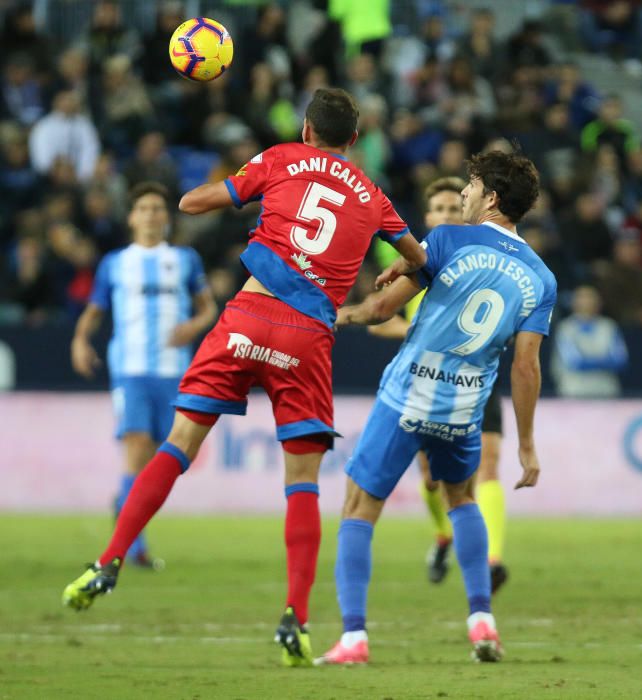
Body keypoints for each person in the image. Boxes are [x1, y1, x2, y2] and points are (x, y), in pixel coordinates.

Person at [62, 88, 427, 668]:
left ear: (307, 128)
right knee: (302, 480)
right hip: (308, 337)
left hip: (246, 318)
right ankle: (295, 618)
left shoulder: (282, 157)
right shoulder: (375, 197)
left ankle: (107, 561)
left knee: (177, 445)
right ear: (354, 140)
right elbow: (420, 257)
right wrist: (402, 265)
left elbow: (194, 203)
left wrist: (217, 189)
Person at [316, 150, 557, 665]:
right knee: (463, 500)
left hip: (408, 395)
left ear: (490, 197)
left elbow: (382, 309)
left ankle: (354, 638)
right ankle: (482, 624)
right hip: (464, 410)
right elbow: (526, 368)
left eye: (470, 187)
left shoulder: (447, 239)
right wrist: (529, 445)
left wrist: (343, 315)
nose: (463, 196)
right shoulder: (541, 277)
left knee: (358, 508)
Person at [370, 177, 510, 590]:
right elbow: (379, 319)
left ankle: (492, 559)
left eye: (455, 208)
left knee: (487, 465)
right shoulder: (419, 260)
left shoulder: (492, 258)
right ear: (428, 218)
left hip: (477, 377)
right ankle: (444, 535)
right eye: (441, 210)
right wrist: (419, 332)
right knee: (431, 477)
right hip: (424, 380)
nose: (449, 215)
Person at [70, 181, 217, 567]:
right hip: (130, 371)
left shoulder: (185, 260)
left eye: (158, 208)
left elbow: (208, 308)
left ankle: (125, 503)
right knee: (136, 451)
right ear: (132, 217)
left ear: (166, 218)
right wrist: (80, 341)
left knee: (158, 460)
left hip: (172, 372)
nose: (151, 214)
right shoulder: (115, 263)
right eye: (144, 208)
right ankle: (133, 550)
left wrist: (193, 326)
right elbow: (95, 310)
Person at [551, 284, 628, 397]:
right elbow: (573, 361)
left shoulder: (609, 326)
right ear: (574, 303)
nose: (586, 302)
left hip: (606, 390)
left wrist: (591, 361)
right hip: (574, 390)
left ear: (599, 302)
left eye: (590, 297)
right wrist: (603, 361)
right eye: (581, 297)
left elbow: (620, 360)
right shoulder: (566, 328)